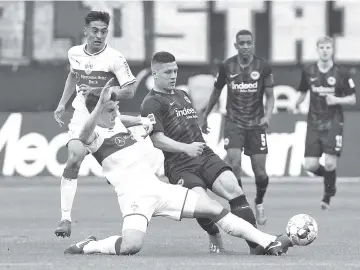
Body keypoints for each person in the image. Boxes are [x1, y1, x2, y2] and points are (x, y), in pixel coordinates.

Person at [64, 80, 292, 256]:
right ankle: (89, 246)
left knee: (213, 208)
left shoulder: (118, 121)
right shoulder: (92, 135)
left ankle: (268, 241)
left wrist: (144, 121)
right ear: (98, 111)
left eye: (116, 108)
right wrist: (98, 104)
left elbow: (124, 118)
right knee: (130, 247)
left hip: (158, 189)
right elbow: (85, 132)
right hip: (134, 198)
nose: (116, 113)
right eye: (111, 109)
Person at [140, 51, 261, 254]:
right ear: (154, 73)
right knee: (203, 204)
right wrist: (186, 148)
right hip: (179, 165)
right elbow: (157, 139)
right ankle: (213, 234)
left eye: (175, 71)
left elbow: (186, 123)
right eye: (168, 72)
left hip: (204, 155)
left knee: (234, 188)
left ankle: (257, 246)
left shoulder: (182, 95)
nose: (173, 76)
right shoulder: (151, 103)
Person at [53, 11, 137, 237]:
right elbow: (73, 76)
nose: (99, 35)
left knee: (123, 172)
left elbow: (130, 89)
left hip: (107, 117)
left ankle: (137, 217)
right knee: (74, 157)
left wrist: (103, 93)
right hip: (82, 115)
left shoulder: (115, 58)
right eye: (95, 31)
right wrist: (62, 104)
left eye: (104, 31)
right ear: (86, 31)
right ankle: (65, 219)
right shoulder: (74, 53)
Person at [201, 29, 274, 226]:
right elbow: (216, 92)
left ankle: (259, 202)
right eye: (241, 43)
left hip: (256, 124)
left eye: (248, 43)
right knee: (234, 164)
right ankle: (243, 207)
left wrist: (267, 115)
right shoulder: (227, 66)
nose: (245, 46)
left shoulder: (263, 66)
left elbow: (270, 95)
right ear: (235, 45)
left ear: (253, 44)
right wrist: (205, 115)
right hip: (233, 123)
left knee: (260, 173)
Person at [295, 36, 356, 209]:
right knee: (311, 166)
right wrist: (297, 102)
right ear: (317, 49)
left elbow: (352, 99)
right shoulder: (308, 71)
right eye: (322, 47)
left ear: (332, 50)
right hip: (313, 122)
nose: (325, 50)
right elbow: (302, 91)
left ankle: (327, 197)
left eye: (328, 47)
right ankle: (332, 180)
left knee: (329, 162)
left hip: (333, 122)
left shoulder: (341, 73)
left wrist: (336, 100)